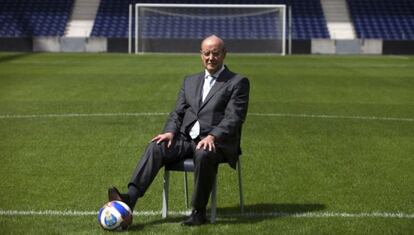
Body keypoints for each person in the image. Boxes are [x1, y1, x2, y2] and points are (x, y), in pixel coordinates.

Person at [108, 35, 250, 226]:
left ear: (224, 54)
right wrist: (170, 132)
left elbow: (234, 117)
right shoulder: (190, 81)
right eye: (206, 53)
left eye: (215, 53)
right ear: (201, 55)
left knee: (203, 153)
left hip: (216, 143)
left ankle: (198, 212)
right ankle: (128, 200)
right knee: (156, 146)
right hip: (186, 139)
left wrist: (213, 136)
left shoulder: (237, 82)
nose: (210, 58)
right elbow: (177, 113)